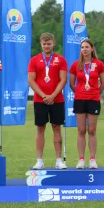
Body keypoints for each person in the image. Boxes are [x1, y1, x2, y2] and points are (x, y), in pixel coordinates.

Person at [28, 32, 68, 169]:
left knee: (57, 128)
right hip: (40, 100)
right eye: (44, 44)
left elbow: (63, 80)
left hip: (57, 100)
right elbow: (31, 80)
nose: (46, 46)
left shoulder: (61, 60)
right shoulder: (34, 60)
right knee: (40, 128)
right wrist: (44, 96)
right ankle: (39, 160)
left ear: (53, 43)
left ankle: (58, 160)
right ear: (41, 44)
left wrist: (52, 96)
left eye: (49, 43)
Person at [70, 39, 104, 169]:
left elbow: (103, 83)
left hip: (93, 100)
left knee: (92, 130)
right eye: (82, 47)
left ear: (91, 49)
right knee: (81, 130)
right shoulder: (75, 65)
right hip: (80, 100)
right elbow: (71, 84)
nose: (84, 49)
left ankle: (92, 159)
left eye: (86, 47)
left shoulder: (99, 64)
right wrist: (80, 93)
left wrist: (95, 93)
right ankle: (81, 159)